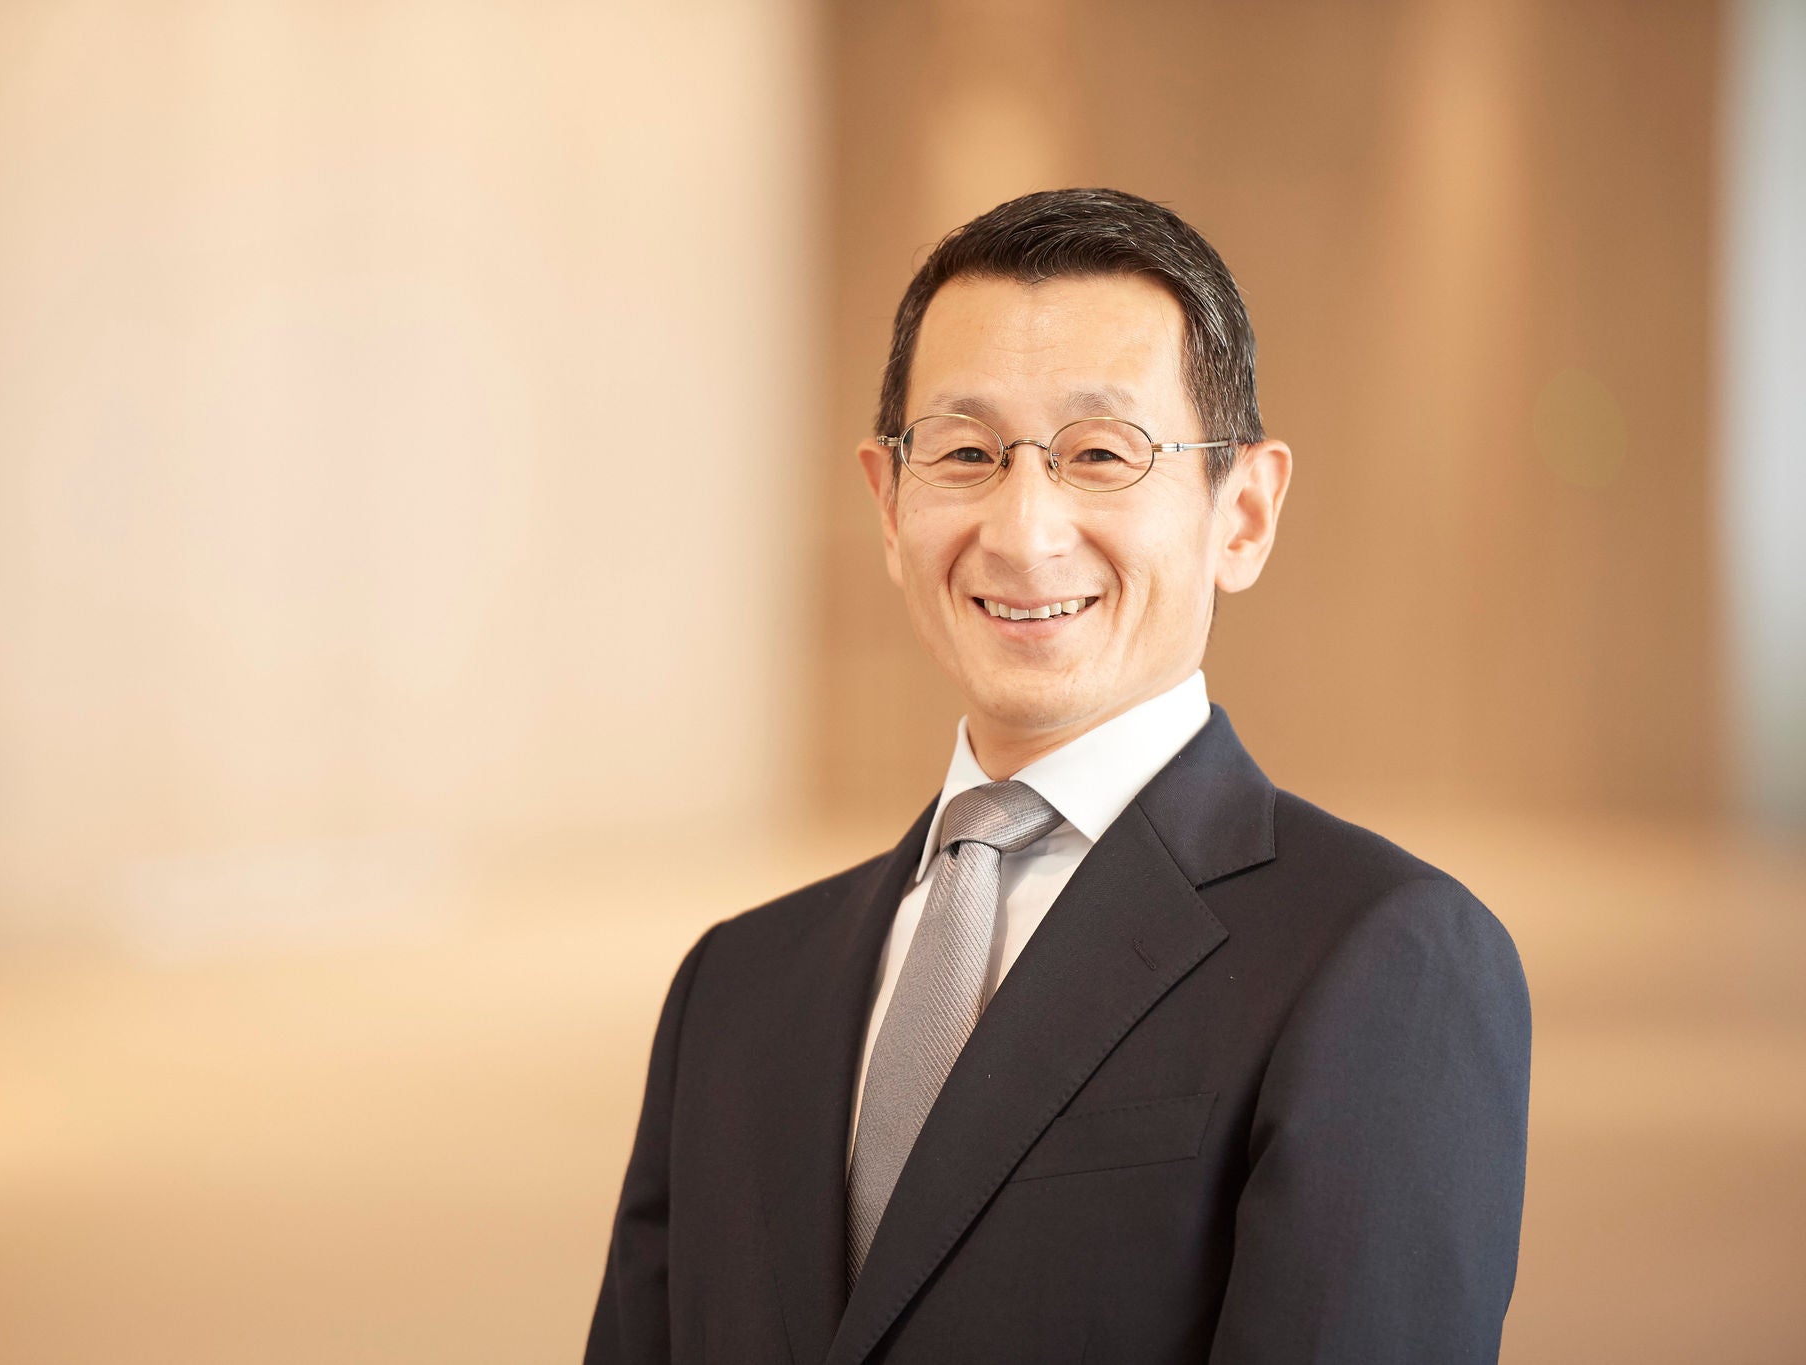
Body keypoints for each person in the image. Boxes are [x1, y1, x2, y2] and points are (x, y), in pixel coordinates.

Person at [584, 188, 1530, 1365]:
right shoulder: (733, 988)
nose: (1023, 530)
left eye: (1098, 455)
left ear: (1241, 514)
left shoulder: (1385, 960)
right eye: (965, 454)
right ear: (887, 501)